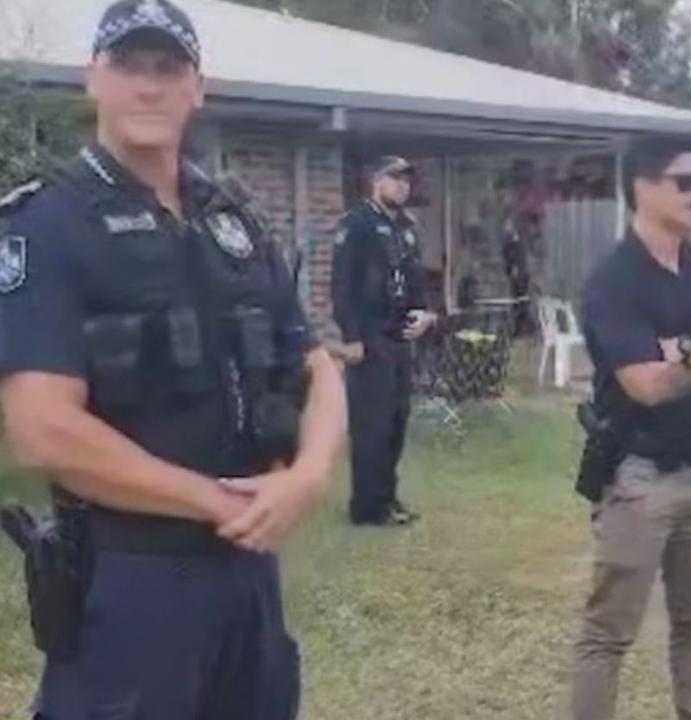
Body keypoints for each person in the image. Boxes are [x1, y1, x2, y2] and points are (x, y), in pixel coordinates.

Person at [0, 0, 346, 716]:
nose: (148, 87)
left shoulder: (233, 218)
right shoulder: (48, 227)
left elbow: (317, 365)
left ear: (198, 87)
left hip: (249, 577)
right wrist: (219, 502)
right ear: (93, 79)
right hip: (132, 581)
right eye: (129, 66)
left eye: (168, 68)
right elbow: (43, 428)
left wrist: (309, 476)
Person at [570, 136, 691, 720]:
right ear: (642, 187)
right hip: (640, 474)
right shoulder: (613, 279)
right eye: (684, 182)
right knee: (608, 635)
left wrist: (683, 350)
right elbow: (645, 386)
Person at [331, 156, 437, 526]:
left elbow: (417, 282)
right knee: (371, 425)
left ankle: (387, 499)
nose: (403, 187)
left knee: (395, 422)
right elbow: (341, 285)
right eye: (395, 179)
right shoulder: (356, 224)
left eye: (407, 180)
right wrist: (352, 337)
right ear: (376, 181)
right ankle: (366, 507)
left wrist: (426, 314)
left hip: (399, 337)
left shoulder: (405, 227)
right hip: (370, 335)